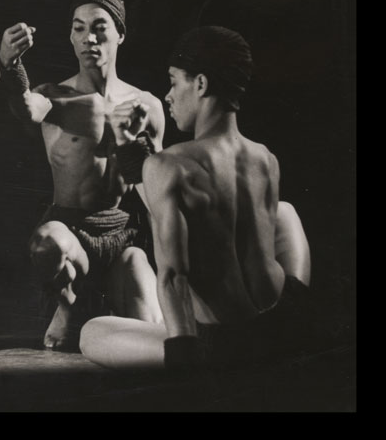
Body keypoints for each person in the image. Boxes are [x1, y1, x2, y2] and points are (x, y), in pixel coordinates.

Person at [79, 25, 313, 373]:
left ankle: (191, 347)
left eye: (174, 82)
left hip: (223, 343)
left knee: (92, 332)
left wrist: (182, 350)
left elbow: (173, 275)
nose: (169, 96)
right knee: (284, 212)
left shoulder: (169, 165)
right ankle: (303, 315)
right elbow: (177, 192)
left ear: (201, 84)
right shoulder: (265, 159)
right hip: (282, 321)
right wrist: (130, 144)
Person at [0, 0, 166, 351]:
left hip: (122, 237)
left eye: (99, 27)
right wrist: (11, 65)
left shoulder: (148, 105)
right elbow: (27, 108)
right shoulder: (56, 96)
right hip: (71, 233)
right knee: (47, 243)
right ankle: (68, 303)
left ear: (120, 34)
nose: (88, 37)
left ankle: (106, 305)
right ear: (71, 37)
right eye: (78, 28)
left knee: (155, 335)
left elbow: (159, 190)